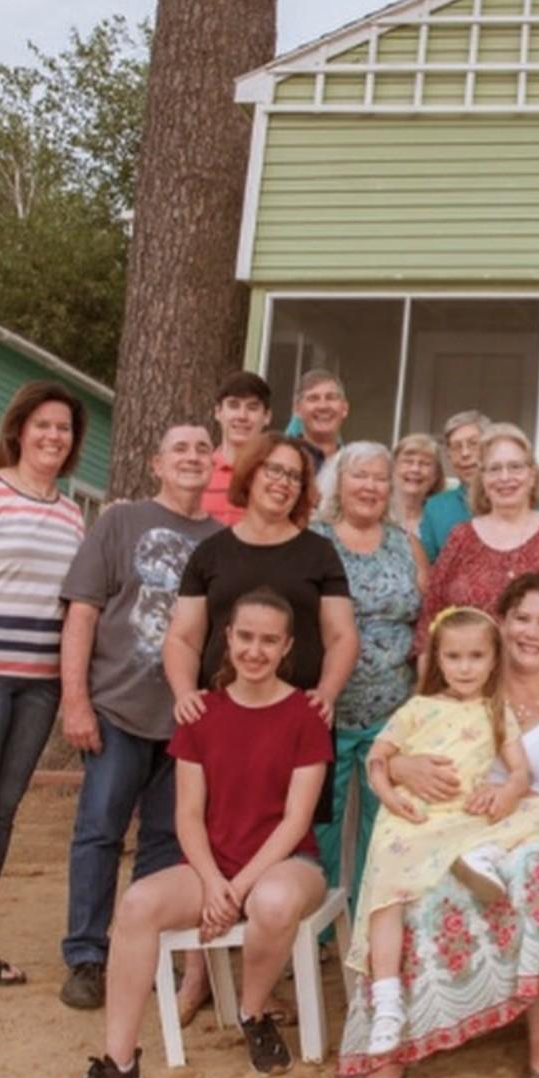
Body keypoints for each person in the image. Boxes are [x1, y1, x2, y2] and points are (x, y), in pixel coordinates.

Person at [49, 590, 333, 1078]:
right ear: (228, 637)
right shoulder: (202, 713)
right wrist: (212, 880)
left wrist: (238, 888)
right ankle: (119, 1062)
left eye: (269, 640)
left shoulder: (304, 713)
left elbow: (297, 821)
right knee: (136, 904)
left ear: (287, 646)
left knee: (272, 903)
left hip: (287, 863)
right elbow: (187, 816)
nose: (255, 650)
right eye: (245, 636)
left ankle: (253, 1013)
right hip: (212, 864)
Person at [339, 583, 539, 1078]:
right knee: (396, 868)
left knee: (538, 867)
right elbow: (391, 750)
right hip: (441, 822)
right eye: (521, 618)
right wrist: (398, 768)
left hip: (524, 830)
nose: (532, 631)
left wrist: (506, 807)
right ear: (502, 627)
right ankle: (389, 1033)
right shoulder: (453, 691)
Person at [163, 432, 358, 1017]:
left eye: (295, 476)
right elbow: (182, 636)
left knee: (282, 836)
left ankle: (262, 978)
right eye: (272, 469)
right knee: (217, 834)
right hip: (220, 727)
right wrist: (182, 693)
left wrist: (326, 691)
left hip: (292, 731)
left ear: (304, 490)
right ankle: (200, 974)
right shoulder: (212, 553)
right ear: (250, 475)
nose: (282, 481)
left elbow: (343, 635)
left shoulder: (318, 554)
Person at [58, 423, 223, 1012]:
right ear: (156, 462)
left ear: (214, 464)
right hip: (118, 708)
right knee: (100, 831)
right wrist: (75, 700)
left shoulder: (221, 538)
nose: (192, 457)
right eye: (180, 448)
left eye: (203, 448)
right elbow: (82, 613)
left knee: (165, 839)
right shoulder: (119, 523)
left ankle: (145, 952)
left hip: (185, 720)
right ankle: (85, 956)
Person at [0, 380, 86, 987]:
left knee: (1, 813)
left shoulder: (73, 513)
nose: (53, 436)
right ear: (20, 429)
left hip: (40, 685)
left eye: (65, 429)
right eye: (43, 425)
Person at [417, 423, 539, 696]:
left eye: (515, 467)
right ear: (482, 480)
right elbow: (430, 625)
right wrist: (433, 699)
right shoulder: (461, 539)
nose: (505, 477)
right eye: (494, 469)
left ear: (532, 475)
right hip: (472, 707)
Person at [310, 442, 423, 912]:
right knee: (322, 819)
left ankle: (370, 923)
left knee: (385, 821)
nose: (370, 486)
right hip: (327, 705)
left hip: (393, 708)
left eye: (380, 478)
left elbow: (426, 617)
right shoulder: (316, 539)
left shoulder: (404, 542)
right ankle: (313, 926)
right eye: (360, 476)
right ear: (339, 482)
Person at [419, 410, 488, 562]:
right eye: (456, 447)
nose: (464, 453)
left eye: (473, 444)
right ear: (449, 456)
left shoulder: (526, 501)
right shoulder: (435, 507)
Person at [203, 370, 271, 526]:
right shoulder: (199, 471)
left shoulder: (276, 476)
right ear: (218, 412)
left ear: (267, 416)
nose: (242, 416)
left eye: (252, 407)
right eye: (233, 405)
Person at [391, 432, 444, 548]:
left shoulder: (440, 520)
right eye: (408, 461)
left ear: (436, 475)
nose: (415, 469)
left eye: (425, 464)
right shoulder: (376, 513)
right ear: (393, 468)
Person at [293, 369, 349, 473]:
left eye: (331, 398)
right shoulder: (283, 460)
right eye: (313, 398)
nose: (323, 406)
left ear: (345, 409)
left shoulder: (354, 465)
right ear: (297, 410)